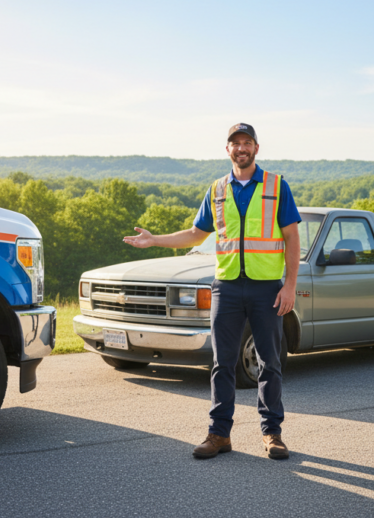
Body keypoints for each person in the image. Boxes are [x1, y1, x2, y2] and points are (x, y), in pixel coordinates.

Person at [123, 123, 301, 460]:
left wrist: (289, 285)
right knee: (222, 363)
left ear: (256, 149)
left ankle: (272, 433)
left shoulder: (277, 187)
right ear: (228, 150)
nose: (241, 148)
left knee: (270, 362)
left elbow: (292, 237)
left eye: (247, 142)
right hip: (227, 288)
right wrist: (154, 240)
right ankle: (219, 434)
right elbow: (194, 234)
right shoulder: (217, 189)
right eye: (235, 143)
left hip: (267, 289)